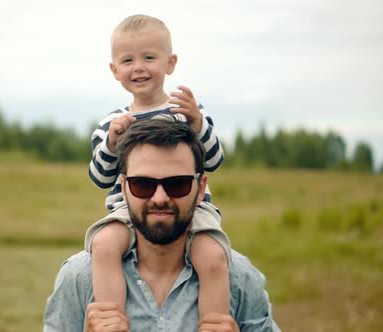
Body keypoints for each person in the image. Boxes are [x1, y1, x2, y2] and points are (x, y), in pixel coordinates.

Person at [44, 119, 280, 331]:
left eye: (177, 184)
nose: (159, 198)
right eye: (142, 184)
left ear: (200, 189)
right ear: (124, 188)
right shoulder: (79, 277)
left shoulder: (238, 278)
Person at [86, 14, 230, 321]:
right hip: (130, 208)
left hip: (189, 206)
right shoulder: (110, 123)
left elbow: (215, 160)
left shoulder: (185, 111)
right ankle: (111, 320)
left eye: (149, 57)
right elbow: (99, 178)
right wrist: (111, 144)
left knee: (214, 257)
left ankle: (214, 324)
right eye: (127, 60)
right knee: (103, 246)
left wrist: (198, 123)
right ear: (115, 70)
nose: (138, 67)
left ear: (170, 63)